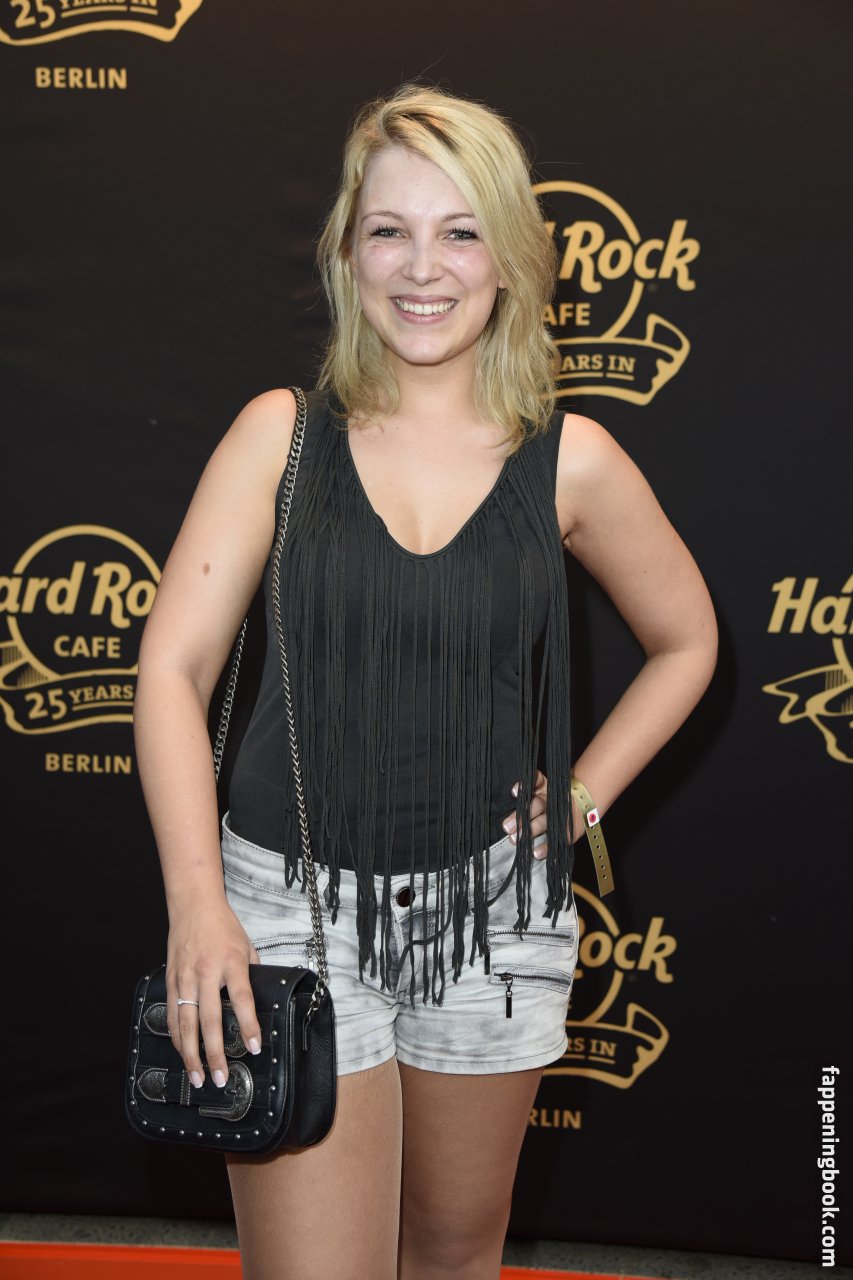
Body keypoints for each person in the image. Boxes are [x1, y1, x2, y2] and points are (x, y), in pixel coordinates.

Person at [133, 81, 718, 1280]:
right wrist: (199, 904)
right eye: (388, 230)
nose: (421, 267)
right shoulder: (279, 435)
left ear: (509, 257)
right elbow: (173, 668)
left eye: (460, 232)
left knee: (452, 1256)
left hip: (492, 921)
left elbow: (688, 639)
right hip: (285, 914)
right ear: (347, 250)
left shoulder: (571, 459)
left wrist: (581, 797)